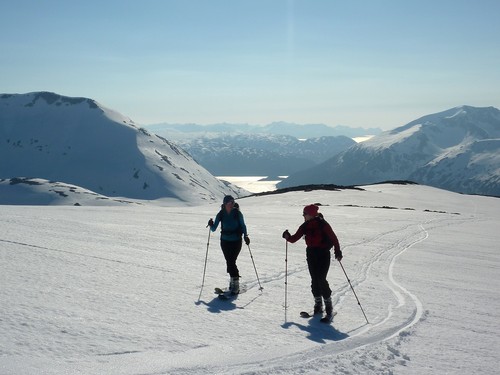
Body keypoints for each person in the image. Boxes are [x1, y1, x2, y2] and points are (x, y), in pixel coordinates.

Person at [282, 204, 342, 318]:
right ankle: (318, 304)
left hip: (323, 254)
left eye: (305, 213)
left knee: (321, 279)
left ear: (311, 214)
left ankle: (328, 306)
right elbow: (294, 238)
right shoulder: (305, 226)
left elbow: (334, 238)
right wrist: (288, 237)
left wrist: (338, 251)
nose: (303, 216)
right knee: (314, 279)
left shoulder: (323, 225)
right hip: (311, 254)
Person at [207, 195, 250, 294]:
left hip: (236, 241)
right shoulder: (221, 214)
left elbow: (243, 225)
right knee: (229, 262)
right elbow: (213, 229)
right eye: (230, 202)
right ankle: (233, 282)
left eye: (233, 202)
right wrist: (211, 224)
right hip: (225, 242)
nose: (232, 204)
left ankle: (235, 284)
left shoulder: (237, 213)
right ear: (225, 203)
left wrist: (245, 236)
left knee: (231, 261)